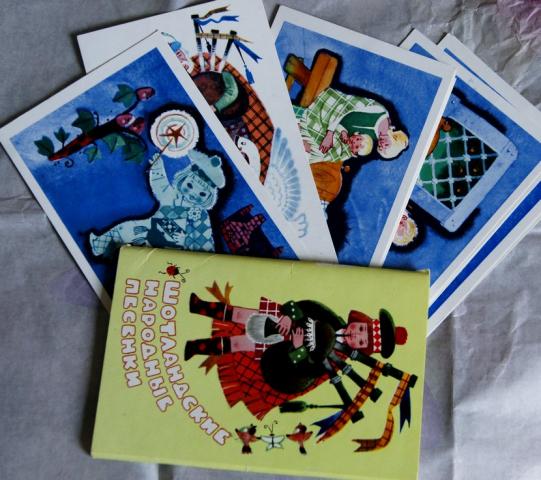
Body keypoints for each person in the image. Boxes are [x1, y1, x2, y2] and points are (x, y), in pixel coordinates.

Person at [184, 294, 408, 395]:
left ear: (360, 348)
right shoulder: (332, 318)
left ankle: (195, 347)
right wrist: (288, 315)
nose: (355, 334)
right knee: (241, 314)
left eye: (360, 340)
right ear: (358, 321)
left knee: (238, 343)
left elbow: (310, 369)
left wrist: (298, 347)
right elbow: (308, 305)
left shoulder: (336, 358)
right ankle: (199, 306)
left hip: (280, 350)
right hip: (280, 322)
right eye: (360, 329)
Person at [89, 150, 225, 256]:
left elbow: (204, 240)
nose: (193, 193)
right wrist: (158, 167)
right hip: (149, 228)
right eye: (189, 185)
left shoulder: (200, 215)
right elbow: (161, 186)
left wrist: (185, 239)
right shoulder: (172, 195)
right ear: (183, 179)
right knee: (125, 229)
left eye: (202, 194)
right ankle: (99, 245)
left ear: (209, 197)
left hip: (173, 247)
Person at [294, 87, 408, 214]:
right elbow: (346, 107)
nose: (381, 145)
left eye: (382, 149)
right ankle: (298, 131)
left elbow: (353, 142)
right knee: (319, 148)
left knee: (325, 161)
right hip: (332, 109)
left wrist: (344, 150)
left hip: (336, 132)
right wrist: (330, 133)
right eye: (386, 144)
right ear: (392, 134)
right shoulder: (379, 111)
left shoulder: (373, 139)